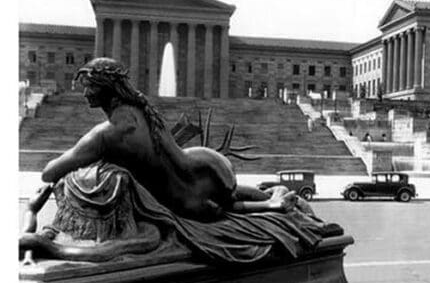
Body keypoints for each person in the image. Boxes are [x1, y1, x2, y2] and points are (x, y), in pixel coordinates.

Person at [41, 58, 297, 222]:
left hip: (183, 196)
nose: (84, 93)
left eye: (90, 86)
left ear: (107, 88)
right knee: (228, 196)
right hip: (206, 164)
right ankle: (270, 196)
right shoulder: (143, 110)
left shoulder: (105, 135)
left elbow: (49, 173)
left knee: (222, 207)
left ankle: (271, 203)